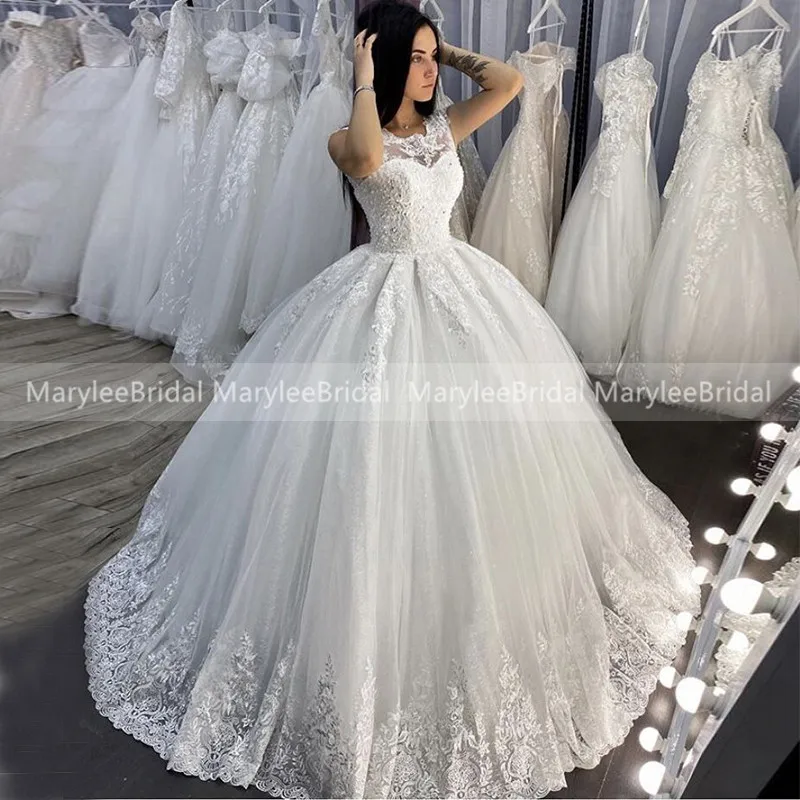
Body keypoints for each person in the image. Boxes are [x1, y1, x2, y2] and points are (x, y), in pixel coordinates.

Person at [84, 2, 700, 797]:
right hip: (376, 300)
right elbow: (371, 161)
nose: (429, 70)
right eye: (416, 57)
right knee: (367, 457)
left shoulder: (443, 127)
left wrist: (447, 51)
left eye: (430, 58)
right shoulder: (348, 134)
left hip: (461, 291)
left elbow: (509, 84)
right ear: (379, 63)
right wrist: (366, 75)